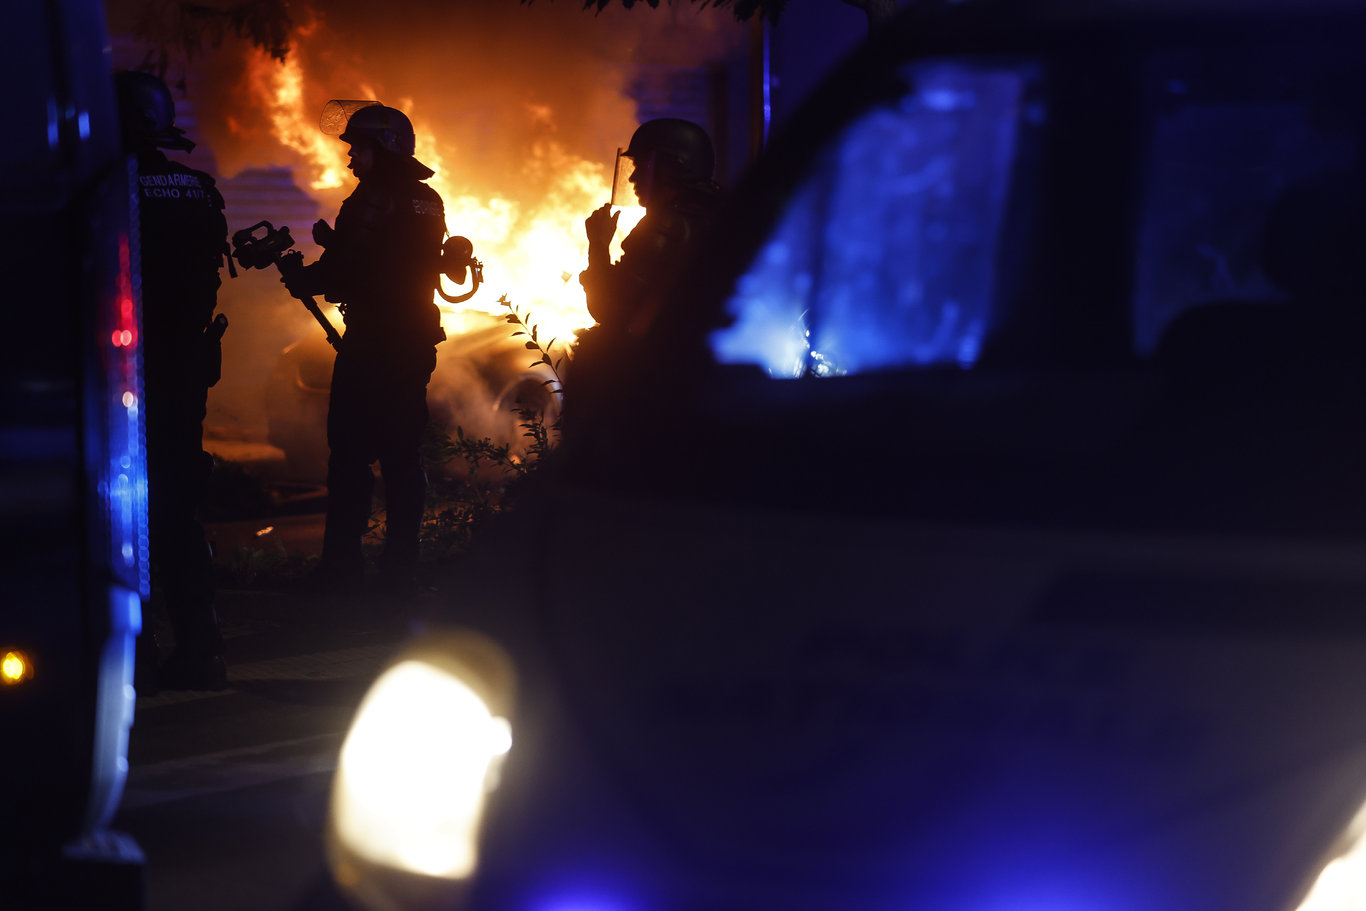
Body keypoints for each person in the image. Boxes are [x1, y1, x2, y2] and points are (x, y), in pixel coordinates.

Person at [281, 102, 447, 598]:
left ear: (384, 148)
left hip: (373, 343)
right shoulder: (428, 200)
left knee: (350, 457)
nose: (352, 159)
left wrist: (301, 277)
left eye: (359, 148)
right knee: (402, 455)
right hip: (415, 341)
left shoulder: (370, 200)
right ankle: (400, 572)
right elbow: (395, 259)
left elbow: (345, 270)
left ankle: (340, 570)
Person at [115, 70, 232, 690]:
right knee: (179, 511)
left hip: (120, 378)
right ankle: (202, 647)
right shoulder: (197, 189)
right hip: (185, 372)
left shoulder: (108, 189)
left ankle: (132, 654)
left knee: (118, 512)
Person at [571, 118, 722, 431]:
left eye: (642, 165)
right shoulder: (719, 215)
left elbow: (609, 309)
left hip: (656, 380)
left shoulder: (667, 227)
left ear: (672, 167)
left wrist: (598, 246)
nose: (634, 178)